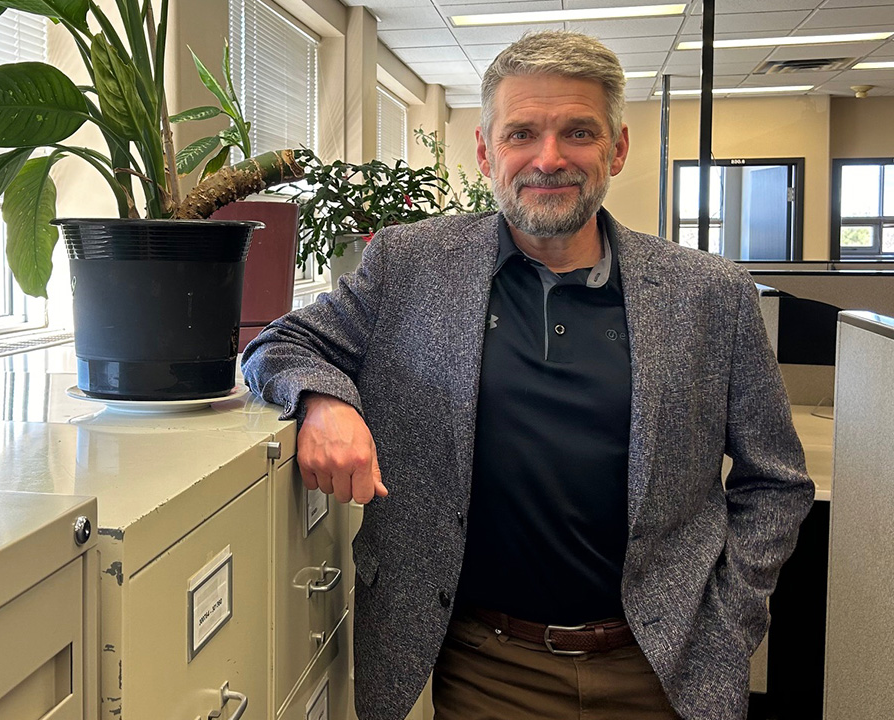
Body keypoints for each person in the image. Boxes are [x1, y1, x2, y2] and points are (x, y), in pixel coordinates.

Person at [242, 30, 813, 720]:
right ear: (486, 151)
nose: (550, 158)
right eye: (522, 134)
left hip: (665, 667)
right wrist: (323, 401)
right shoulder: (412, 265)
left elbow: (775, 482)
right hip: (488, 667)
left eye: (578, 132)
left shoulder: (709, 294)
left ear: (617, 148)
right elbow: (279, 342)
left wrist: (729, 625)